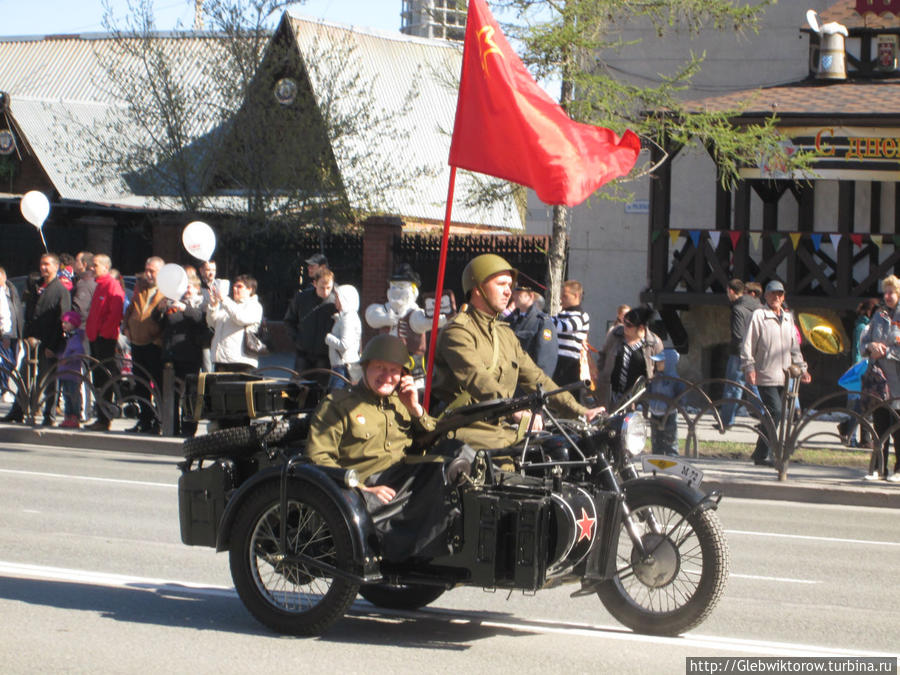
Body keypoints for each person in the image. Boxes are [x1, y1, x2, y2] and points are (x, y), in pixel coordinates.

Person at [307, 334, 464, 561]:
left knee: (456, 455)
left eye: (394, 371)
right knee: (441, 471)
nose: (387, 377)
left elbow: (433, 440)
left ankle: (438, 545)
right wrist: (361, 489)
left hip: (401, 480)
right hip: (365, 487)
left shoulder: (401, 402)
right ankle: (410, 551)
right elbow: (318, 458)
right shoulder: (339, 405)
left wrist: (415, 408)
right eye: (379, 368)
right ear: (365, 367)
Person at [431, 254, 603, 451]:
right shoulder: (457, 332)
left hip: (500, 430)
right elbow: (478, 379)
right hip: (465, 431)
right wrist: (516, 410)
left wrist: (581, 412)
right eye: (501, 284)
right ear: (478, 288)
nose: (508, 292)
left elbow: (537, 378)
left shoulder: (505, 334)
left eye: (509, 285)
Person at [741, 280, 811, 467]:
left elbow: (794, 348)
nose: (777, 298)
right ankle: (762, 453)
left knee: (777, 414)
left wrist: (803, 369)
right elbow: (747, 344)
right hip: (765, 373)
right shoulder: (759, 316)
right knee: (775, 411)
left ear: (784, 297)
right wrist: (749, 367)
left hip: (784, 375)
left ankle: (763, 452)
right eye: (773, 294)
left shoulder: (788, 318)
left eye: (780, 294)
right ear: (766, 296)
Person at [2, 254, 72, 425]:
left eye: (47, 264)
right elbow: (29, 313)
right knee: (25, 375)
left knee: (48, 379)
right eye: (42, 264)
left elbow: (62, 319)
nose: (43, 268)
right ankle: (19, 409)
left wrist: (53, 345)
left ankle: (49, 414)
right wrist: (26, 336)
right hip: (31, 341)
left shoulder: (61, 290)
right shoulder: (35, 286)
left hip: (49, 342)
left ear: (56, 267)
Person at [859, 276, 900, 482]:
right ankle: (878, 468)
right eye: (886, 292)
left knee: (898, 428)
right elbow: (863, 341)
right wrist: (870, 347)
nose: (888, 295)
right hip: (880, 382)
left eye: (892, 292)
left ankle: (899, 469)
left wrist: (886, 352)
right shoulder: (878, 315)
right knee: (880, 426)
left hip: (898, 382)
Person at [159, 273, 205, 437]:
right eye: (183, 288)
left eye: (189, 287)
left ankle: (189, 428)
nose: (186, 291)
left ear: (197, 288)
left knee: (191, 393)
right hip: (171, 353)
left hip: (190, 354)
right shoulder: (174, 302)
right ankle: (171, 426)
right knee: (172, 392)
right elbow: (161, 324)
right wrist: (161, 310)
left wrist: (185, 308)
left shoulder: (200, 303)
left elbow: (201, 320)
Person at [123, 256, 166, 434]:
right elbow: (131, 309)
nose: (147, 274)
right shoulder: (140, 289)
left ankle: (160, 420)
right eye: (146, 270)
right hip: (137, 342)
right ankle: (144, 419)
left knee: (157, 384)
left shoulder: (166, 291)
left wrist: (158, 338)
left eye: (152, 271)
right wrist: (126, 326)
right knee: (140, 384)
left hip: (154, 345)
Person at [83, 254, 126, 431]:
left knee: (105, 379)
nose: (92, 268)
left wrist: (103, 334)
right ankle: (101, 415)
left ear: (105, 267)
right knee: (98, 379)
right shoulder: (100, 285)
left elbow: (114, 314)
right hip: (96, 338)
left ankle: (105, 417)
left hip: (104, 340)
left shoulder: (111, 285)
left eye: (95, 265)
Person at [595, 306, 664, 409]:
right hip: (611, 393)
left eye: (629, 325)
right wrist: (601, 374)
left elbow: (661, 369)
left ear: (641, 327)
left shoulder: (654, 343)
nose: (624, 326)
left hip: (636, 398)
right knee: (609, 423)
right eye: (624, 322)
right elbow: (603, 355)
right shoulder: (616, 334)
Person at [838, 298, 879, 448]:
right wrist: (859, 368)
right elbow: (858, 349)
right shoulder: (863, 326)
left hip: (865, 369)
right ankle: (850, 434)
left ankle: (853, 433)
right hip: (862, 369)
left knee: (863, 406)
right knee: (859, 405)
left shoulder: (865, 325)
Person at [720, 279, 762, 427]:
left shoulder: (738, 309)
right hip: (757, 352)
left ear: (731, 291)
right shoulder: (759, 306)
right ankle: (766, 417)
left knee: (733, 386)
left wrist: (742, 354)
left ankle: (726, 421)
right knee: (752, 386)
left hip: (740, 353)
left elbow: (739, 335)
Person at [283, 267, 335, 377]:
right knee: (299, 386)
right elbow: (289, 321)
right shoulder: (302, 298)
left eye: (328, 288)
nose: (325, 292)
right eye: (322, 288)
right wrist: (297, 340)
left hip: (325, 354)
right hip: (303, 352)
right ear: (314, 284)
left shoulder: (335, 302)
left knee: (321, 388)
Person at [206, 274, 263, 373]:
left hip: (241, 360)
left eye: (239, 286)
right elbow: (212, 323)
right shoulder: (228, 305)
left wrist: (224, 299)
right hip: (221, 360)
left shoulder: (254, 306)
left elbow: (240, 318)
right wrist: (213, 305)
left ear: (250, 289)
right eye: (234, 286)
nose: (235, 289)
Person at [503, 281, 558, 379]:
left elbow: (545, 360)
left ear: (530, 296)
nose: (514, 296)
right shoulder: (508, 320)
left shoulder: (542, 322)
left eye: (519, 294)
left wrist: (540, 386)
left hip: (528, 382)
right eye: (514, 293)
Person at [551, 280, 590, 387]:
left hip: (571, 364)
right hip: (556, 361)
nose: (561, 299)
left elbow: (564, 327)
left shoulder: (582, 316)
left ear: (576, 295)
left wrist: (544, 320)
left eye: (564, 296)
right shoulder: (561, 314)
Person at [325, 283, 362, 391]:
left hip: (343, 367)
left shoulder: (348, 318)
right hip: (340, 366)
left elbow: (344, 344)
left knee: (336, 400)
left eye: (337, 297)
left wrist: (328, 338)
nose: (335, 300)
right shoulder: (345, 317)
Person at [649, 347, 685, 456]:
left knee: (670, 439)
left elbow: (681, 397)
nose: (657, 364)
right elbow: (649, 391)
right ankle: (657, 457)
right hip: (655, 413)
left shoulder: (675, 380)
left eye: (661, 362)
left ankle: (672, 458)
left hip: (669, 414)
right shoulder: (655, 379)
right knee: (656, 439)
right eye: (657, 362)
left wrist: (676, 405)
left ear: (669, 363)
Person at [57, 311, 86, 429]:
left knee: (73, 394)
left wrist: (67, 359)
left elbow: (79, 352)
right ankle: (68, 416)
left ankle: (74, 416)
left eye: (66, 322)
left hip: (72, 372)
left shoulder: (76, 337)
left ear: (74, 324)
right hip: (65, 372)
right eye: (63, 322)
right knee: (66, 395)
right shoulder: (68, 336)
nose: (63, 325)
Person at [199, 260, 228, 373]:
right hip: (205, 331)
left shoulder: (221, 285)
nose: (211, 273)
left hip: (220, 330)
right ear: (201, 271)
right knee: (207, 366)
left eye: (213, 270)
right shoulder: (198, 287)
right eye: (208, 269)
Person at [0, 266, 23, 403]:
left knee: (12, 362)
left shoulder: (11, 289)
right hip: (5, 333)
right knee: (4, 362)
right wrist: (5, 333)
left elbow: (13, 311)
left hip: (13, 332)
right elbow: (4, 315)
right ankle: (4, 389)